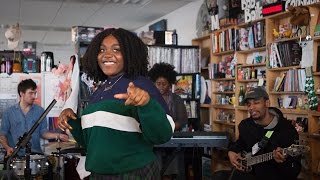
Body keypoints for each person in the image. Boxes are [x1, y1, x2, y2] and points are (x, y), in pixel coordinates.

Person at [58, 28, 175, 179]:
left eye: (116, 49)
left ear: (129, 54)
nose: (107, 55)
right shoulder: (99, 90)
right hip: (98, 174)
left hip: (133, 174)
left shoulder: (140, 85)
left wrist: (146, 104)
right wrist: (71, 121)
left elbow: (163, 135)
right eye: (102, 50)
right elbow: (91, 143)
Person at [213, 87, 301, 180]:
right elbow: (240, 144)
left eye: (256, 103)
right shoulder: (245, 125)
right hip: (249, 173)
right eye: (249, 104)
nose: (251, 107)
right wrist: (231, 151)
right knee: (218, 176)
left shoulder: (287, 130)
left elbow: (294, 171)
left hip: (273, 176)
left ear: (267, 103)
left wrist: (283, 161)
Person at [0, 79, 69, 156]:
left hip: (35, 155)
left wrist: (58, 135)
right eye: (30, 93)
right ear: (22, 93)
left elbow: (43, 133)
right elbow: (2, 135)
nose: (34, 96)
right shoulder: (9, 113)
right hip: (16, 156)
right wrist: (7, 148)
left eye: (35, 93)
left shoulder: (40, 111)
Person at [148, 62, 188, 180]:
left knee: (174, 158)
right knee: (156, 156)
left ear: (169, 85)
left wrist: (168, 127)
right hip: (154, 139)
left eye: (164, 84)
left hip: (172, 138)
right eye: (158, 84)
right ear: (153, 84)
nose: (161, 86)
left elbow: (182, 121)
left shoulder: (177, 100)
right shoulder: (148, 100)